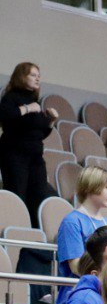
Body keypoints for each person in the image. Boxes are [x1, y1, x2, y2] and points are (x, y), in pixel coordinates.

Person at [0, 62, 56, 222]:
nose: (37, 79)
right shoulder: (11, 97)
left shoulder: (34, 101)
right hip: (15, 156)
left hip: (35, 157)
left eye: (39, 76)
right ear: (22, 76)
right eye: (33, 75)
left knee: (39, 196)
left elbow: (38, 134)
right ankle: (14, 232)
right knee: (18, 195)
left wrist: (51, 121)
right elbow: (4, 115)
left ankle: (34, 238)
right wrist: (27, 109)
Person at [54, 167, 107, 304]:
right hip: (77, 295)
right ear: (91, 185)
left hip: (103, 294)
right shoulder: (72, 222)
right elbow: (76, 266)